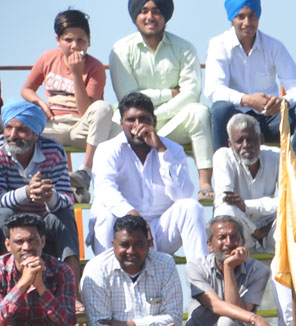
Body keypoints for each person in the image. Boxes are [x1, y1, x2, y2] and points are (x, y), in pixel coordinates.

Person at [109, 0, 214, 198]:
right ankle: (117, 188)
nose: (150, 17)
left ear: (165, 15)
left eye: (156, 11)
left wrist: (156, 114)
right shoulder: (120, 50)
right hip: (136, 125)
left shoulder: (184, 48)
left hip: (173, 124)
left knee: (199, 112)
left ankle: (205, 184)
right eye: (144, 11)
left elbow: (191, 93)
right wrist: (169, 93)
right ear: (135, 16)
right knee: (115, 119)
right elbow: (128, 98)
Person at [91, 93, 209, 262]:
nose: (137, 125)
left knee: (191, 207)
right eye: (131, 120)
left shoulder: (172, 149)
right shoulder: (107, 149)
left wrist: (161, 150)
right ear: (121, 123)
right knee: (103, 210)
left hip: (160, 231)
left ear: (154, 121)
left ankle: (200, 276)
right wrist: (133, 215)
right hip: (123, 229)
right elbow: (104, 189)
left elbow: (183, 194)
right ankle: (105, 271)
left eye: (143, 119)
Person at [21, 9, 118, 204]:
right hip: (54, 124)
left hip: (82, 127)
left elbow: (85, 111)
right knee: (18, 127)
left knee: (104, 108)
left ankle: (85, 173)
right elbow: (27, 89)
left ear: (89, 41)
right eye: (68, 40)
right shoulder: (48, 58)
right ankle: (34, 186)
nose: (75, 46)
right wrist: (40, 104)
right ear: (58, 40)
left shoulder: (95, 67)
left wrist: (76, 74)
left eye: (81, 40)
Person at [206, 1, 296, 166]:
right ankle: (224, 170)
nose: (247, 22)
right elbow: (213, 90)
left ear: (258, 16)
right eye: (240, 17)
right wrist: (247, 100)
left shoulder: (274, 47)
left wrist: (283, 102)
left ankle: (294, 170)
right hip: (236, 120)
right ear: (231, 19)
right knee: (220, 109)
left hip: (269, 119)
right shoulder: (219, 44)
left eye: (252, 16)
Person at [0, 102, 81, 283]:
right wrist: (27, 192)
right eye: (8, 128)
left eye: (22, 130)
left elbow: (68, 199)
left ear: (36, 135)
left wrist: (49, 196)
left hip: (43, 222)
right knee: (3, 213)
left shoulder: (53, 150)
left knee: (65, 216)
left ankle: (72, 287)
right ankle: (7, 283)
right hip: (11, 223)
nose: (12, 135)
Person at [213, 114, 279, 253]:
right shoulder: (223, 156)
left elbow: (289, 200)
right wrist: (254, 230)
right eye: (239, 141)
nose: (246, 145)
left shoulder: (277, 157)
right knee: (224, 210)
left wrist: (246, 206)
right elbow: (224, 202)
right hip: (242, 231)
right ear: (230, 144)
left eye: (251, 140)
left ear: (261, 140)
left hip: (271, 229)